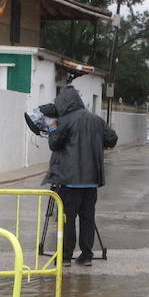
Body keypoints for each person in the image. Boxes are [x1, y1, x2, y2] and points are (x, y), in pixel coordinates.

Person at [42, 83, 117, 266]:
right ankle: (86, 255)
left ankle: (66, 256)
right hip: (91, 181)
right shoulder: (96, 120)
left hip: (69, 180)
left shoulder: (64, 121)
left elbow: (54, 143)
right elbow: (112, 139)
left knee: (67, 218)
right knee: (87, 218)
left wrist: (52, 125)